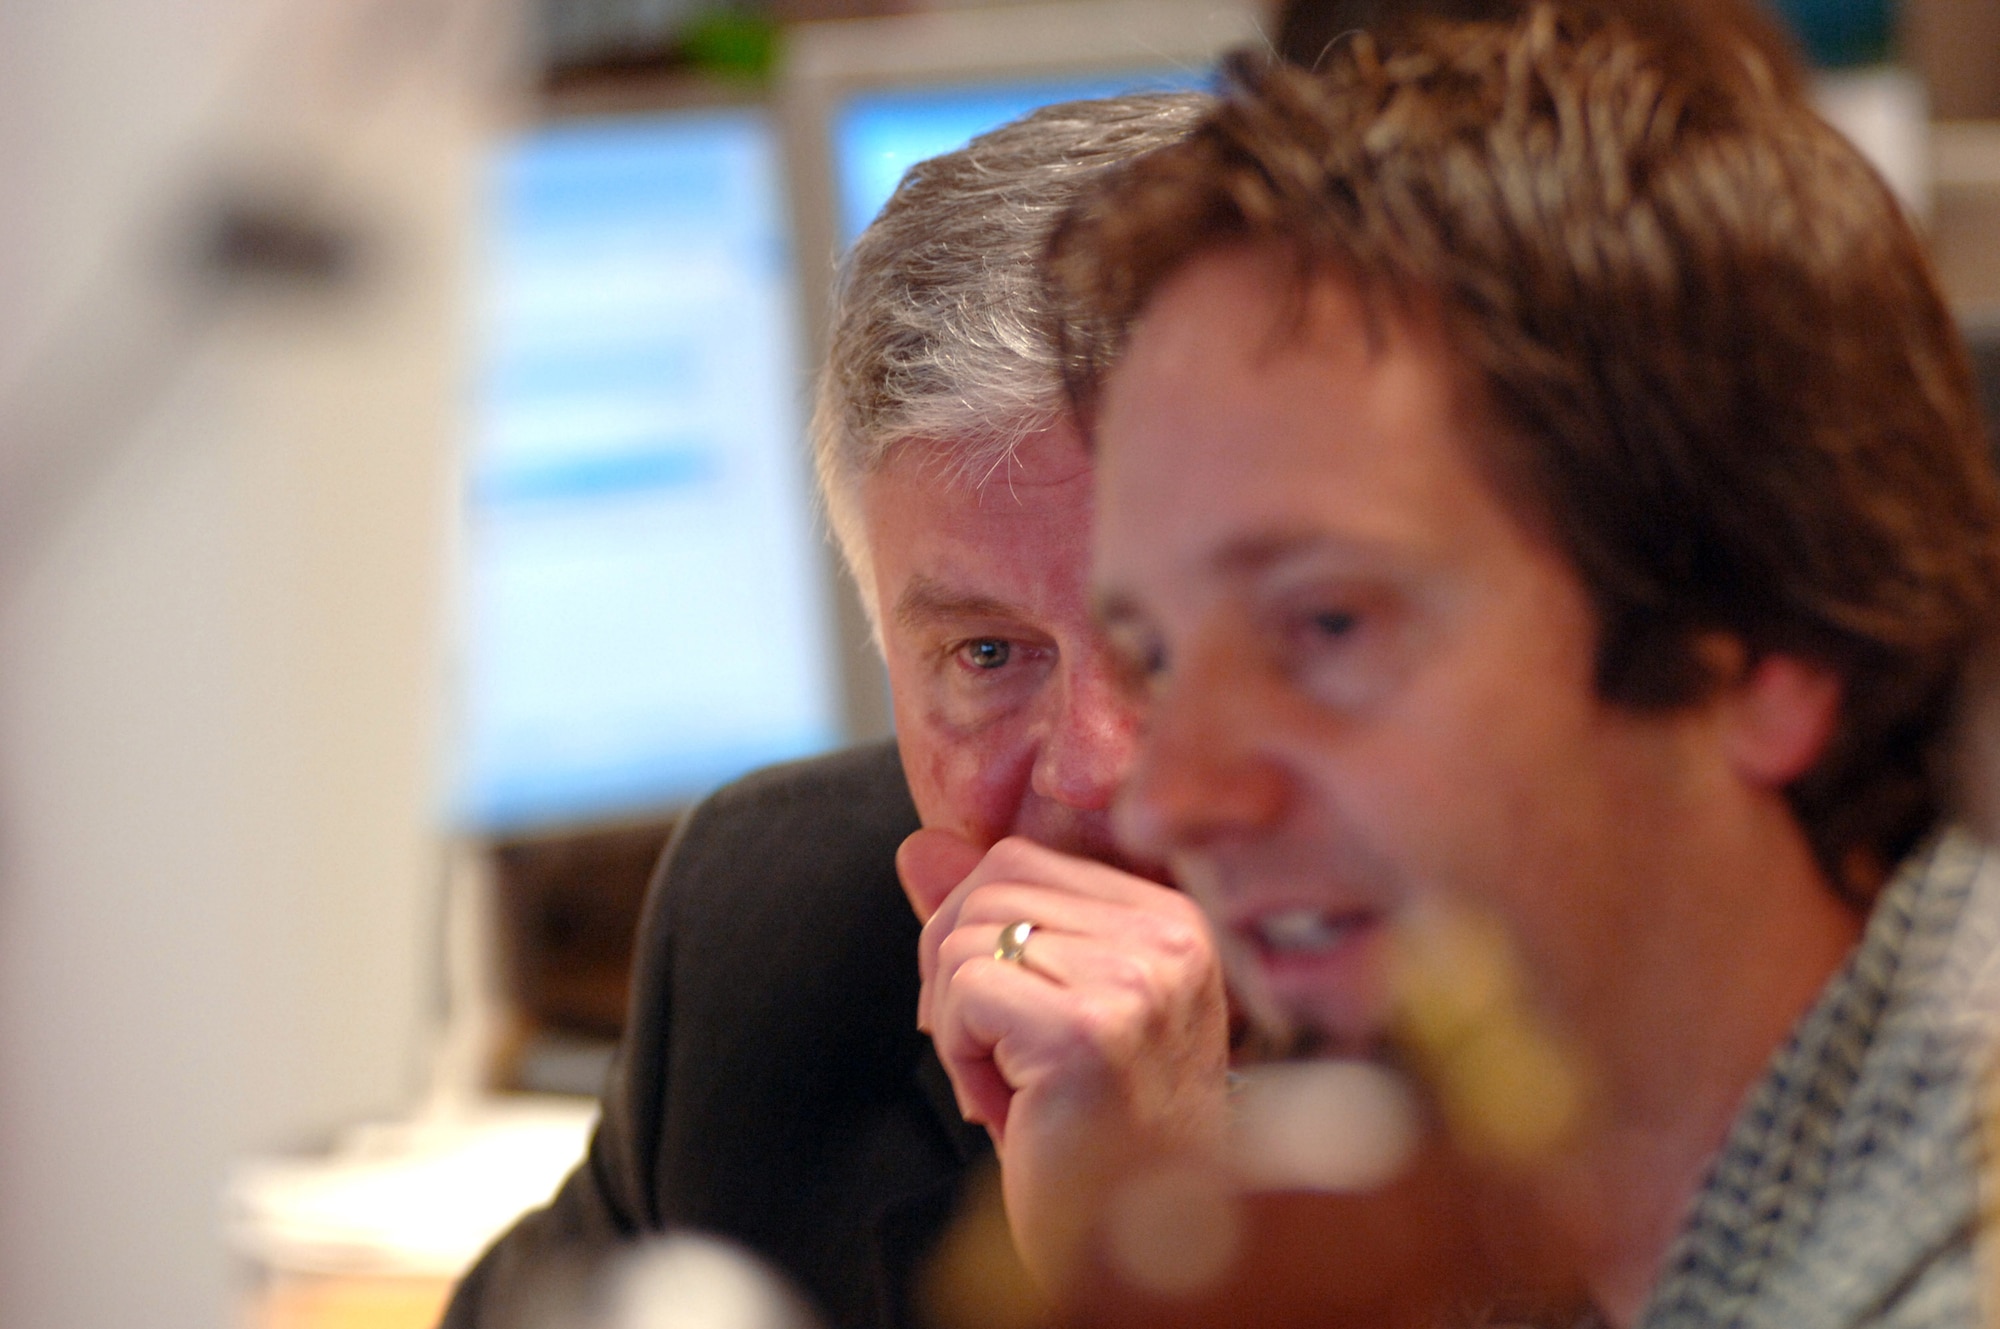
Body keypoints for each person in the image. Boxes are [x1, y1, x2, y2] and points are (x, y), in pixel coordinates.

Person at [1041, 6, 2000, 1326]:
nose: (1171, 799)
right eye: (1152, 654)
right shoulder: (1525, 1226)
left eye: (1326, 626)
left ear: (1766, 652)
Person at [438, 93, 1226, 1329]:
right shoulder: (782, 932)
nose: (1089, 767)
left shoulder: (1594, 1053)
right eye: (984, 652)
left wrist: (1183, 1253)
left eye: (1168, 642)